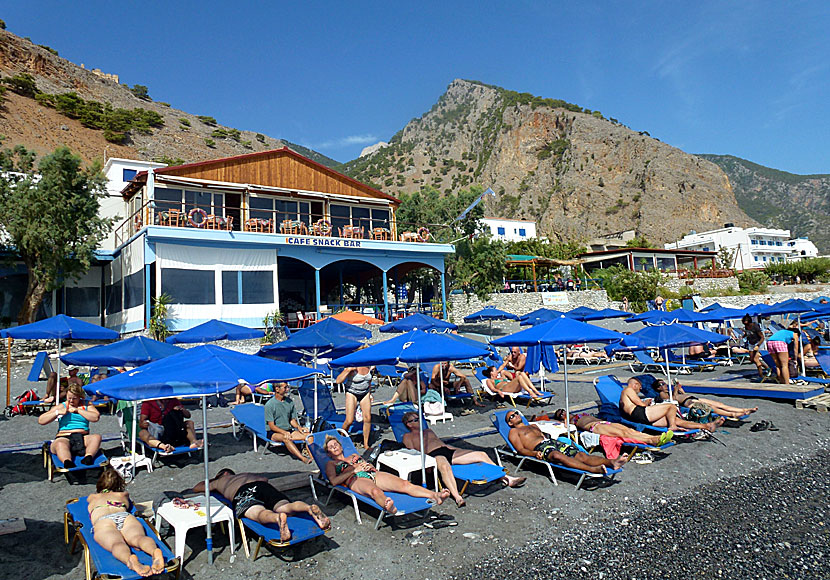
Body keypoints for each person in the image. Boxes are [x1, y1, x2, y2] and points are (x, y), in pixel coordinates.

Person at [400, 411, 525, 506]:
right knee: (444, 467)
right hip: (433, 455)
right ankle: (457, 496)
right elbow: (413, 453)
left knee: (481, 455)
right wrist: (425, 465)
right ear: (408, 424)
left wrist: (453, 449)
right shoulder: (407, 436)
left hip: (448, 450)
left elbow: (439, 442)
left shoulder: (428, 431)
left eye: (418, 418)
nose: (419, 421)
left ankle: (507, 478)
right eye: (415, 420)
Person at [193, 469, 330, 543]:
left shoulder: (221, 481)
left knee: (258, 513)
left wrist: (214, 481)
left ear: (223, 474)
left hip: (244, 493)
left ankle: (277, 518)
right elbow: (265, 479)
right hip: (263, 486)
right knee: (286, 506)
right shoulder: (246, 474)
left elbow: (197, 488)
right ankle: (308, 508)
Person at [323, 435, 449, 513]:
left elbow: (367, 464)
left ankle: (435, 495)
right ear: (328, 453)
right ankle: (389, 507)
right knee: (375, 492)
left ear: (341, 446)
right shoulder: (331, 464)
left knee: (405, 484)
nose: (334, 447)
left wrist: (369, 466)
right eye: (331, 446)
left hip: (372, 473)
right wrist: (354, 470)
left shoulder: (354, 455)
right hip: (356, 479)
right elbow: (333, 481)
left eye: (336, 444)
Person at [87, 468, 165, 577]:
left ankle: (129, 560)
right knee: (138, 538)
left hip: (104, 520)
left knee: (117, 544)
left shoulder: (92, 497)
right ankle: (154, 551)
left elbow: (89, 501)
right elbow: (128, 501)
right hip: (125, 516)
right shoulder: (123, 495)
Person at [505, 410, 629, 474]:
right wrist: (533, 454)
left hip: (550, 442)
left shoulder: (533, 426)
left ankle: (612, 462)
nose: (515, 415)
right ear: (510, 423)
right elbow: (520, 449)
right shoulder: (514, 432)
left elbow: (546, 435)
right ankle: (592, 470)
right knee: (556, 455)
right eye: (512, 416)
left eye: (516, 413)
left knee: (581, 455)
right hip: (539, 448)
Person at [620, 378, 723, 432]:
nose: (640, 390)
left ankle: (706, 426)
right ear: (635, 385)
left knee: (675, 419)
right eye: (639, 387)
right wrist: (646, 403)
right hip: (638, 413)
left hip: (637, 417)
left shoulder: (624, 395)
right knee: (671, 406)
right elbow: (640, 405)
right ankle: (672, 426)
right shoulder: (628, 389)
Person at [38, 383, 102, 468]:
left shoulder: (86, 405)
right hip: (64, 436)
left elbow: (96, 417)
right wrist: (57, 413)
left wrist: (78, 411)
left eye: (74, 398)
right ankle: (67, 461)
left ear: (80, 397)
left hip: (82, 437)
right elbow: (41, 420)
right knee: (60, 443)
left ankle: (88, 457)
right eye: (69, 398)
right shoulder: (62, 406)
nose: (71, 401)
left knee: (96, 437)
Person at [551, 408, 674, 447]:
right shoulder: (570, 421)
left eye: (563, 411)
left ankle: (656, 437)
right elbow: (566, 427)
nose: (563, 413)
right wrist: (564, 419)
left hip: (604, 422)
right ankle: (652, 441)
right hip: (596, 427)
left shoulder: (578, 414)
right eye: (560, 414)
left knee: (629, 430)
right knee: (625, 435)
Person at [653, 379, 757, 418]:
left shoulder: (668, 391)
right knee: (712, 408)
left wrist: (679, 388)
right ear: (658, 388)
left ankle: (743, 410)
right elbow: (674, 400)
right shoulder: (662, 394)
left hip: (692, 398)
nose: (665, 384)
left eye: (664, 382)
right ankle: (734, 414)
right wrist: (675, 390)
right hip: (687, 402)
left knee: (719, 404)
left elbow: (683, 393)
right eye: (662, 384)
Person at [264, 382, 311, 464]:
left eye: (287, 387)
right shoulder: (270, 405)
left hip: (288, 430)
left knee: (309, 435)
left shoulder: (289, 402)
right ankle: (303, 458)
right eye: (285, 388)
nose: (287, 389)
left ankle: (312, 457)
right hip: (274, 433)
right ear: (277, 389)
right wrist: (284, 432)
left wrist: (299, 428)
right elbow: (271, 426)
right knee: (286, 438)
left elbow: (292, 420)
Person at [138, 398, 203, 453]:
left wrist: (181, 409)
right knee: (142, 433)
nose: (165, 400)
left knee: (189, 423)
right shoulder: (148, 403)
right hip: (158, 430)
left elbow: (188, 415)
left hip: (174, 431)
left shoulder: (173, 400)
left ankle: (194, 442)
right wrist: (144, 424)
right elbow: (141, 423)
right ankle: (164, 447)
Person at [335, 365, 375, 450]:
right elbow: (338, 381)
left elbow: (369, 381)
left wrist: (370, 393)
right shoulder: (352, 366)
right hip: (351, 392)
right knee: (349, 420)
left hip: (365, 392)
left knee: (367, 418)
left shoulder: (370, 365)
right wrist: (348, 370)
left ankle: (366, 444)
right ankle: (341, 440)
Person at [742, 314, 767, 379]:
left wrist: (758, 346)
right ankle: (767, 368)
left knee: (756, 359)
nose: (746, 325)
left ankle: (761, 375)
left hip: (758, 342)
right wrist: (743, 336)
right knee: (752, 359)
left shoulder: (755, 326)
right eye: (745, 324)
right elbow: (748, 333)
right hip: (751, 343)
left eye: (747, 324)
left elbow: (762, 337)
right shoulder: (746, 327)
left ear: (750, 322)